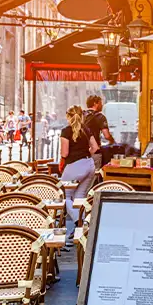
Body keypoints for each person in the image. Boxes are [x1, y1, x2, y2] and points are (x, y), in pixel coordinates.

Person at [59, 105, 98, 246]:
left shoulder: (66, 131)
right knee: (80, 196)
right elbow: (95, 148)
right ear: (81, 116)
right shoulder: (86, 129)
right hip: (89, 164)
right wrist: (85, 155)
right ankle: (82, 228)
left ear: (68, 116)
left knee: (64, 196)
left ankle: (80, 224)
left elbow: (64, 153)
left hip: (74, 165)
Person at [83, 95, 114, 170]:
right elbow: (106, 135)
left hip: (82, 152)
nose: (102, 105)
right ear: (95, 104)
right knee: (95, 177)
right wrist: (112, 141)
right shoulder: (100, 117)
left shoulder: (82, 115)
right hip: (94, 151)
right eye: (100, 103)